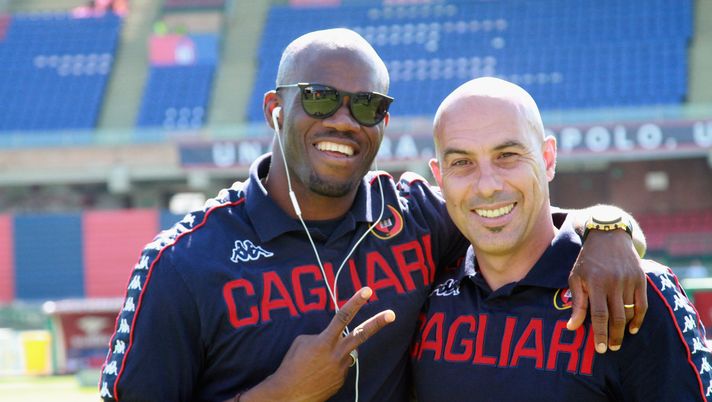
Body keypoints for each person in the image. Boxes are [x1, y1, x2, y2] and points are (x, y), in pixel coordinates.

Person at [99, 29, 647, 402]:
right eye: (318, 98)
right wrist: (279, 395)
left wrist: (607, 230)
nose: (344, 120)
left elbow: (519, 215)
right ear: (275, 109)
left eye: (367, 106)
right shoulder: (183, 263)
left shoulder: (417, 217)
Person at [411, 77, 712, 401]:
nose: (487, 185)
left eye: (507, 155)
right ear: (439, 177)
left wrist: (608, 228)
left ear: (548, 158)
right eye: (462, 162)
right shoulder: (424, 292)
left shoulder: (630, 289)